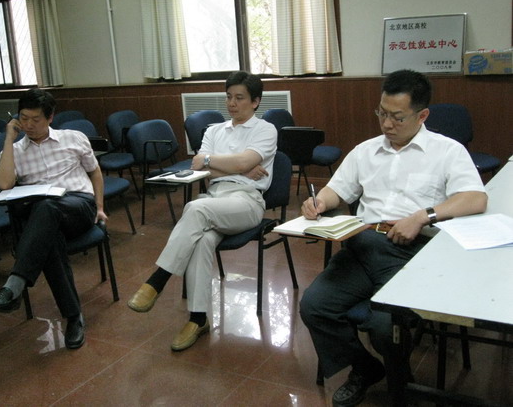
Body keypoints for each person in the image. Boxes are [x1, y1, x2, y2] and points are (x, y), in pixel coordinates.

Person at [299, 69, 487, 407]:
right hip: (362, 246)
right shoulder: (365, 151)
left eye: (397, 117)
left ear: (422, 115)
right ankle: (365, 368)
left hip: (411, 253)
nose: (387, 124)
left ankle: (402, 384)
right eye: (382, 113)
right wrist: (320, 202)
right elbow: (337, 189)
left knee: (385, 328)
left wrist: (422, 216)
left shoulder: (447, 151)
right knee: (314, 306)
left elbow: (475, 198)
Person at [127, 71, 277, 351]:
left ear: (255, 101)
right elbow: (199, 166)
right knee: (202, 240)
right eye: (229, 97)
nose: (232, 103)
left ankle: (157, 280)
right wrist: (237, 166)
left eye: (240, 98)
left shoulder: (265, 129)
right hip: (215, 198)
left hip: (247, 201)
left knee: (195, 208)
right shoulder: (214, 130)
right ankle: (198, 319)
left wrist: (220, 163)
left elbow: (236, 162)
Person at [0, 88, 107, 350]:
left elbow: (95, 172)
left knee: (47, 208)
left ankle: (14, 285)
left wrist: (99, 207)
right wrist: (8, 139)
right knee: (49, 236)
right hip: (46, 217)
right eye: (23, 118)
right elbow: (4, 184)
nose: (28, 125)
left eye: (35, 119)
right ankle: (73, 318)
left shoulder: (73, 138)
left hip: (78, 206)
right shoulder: (15, 150)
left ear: (50, 117)